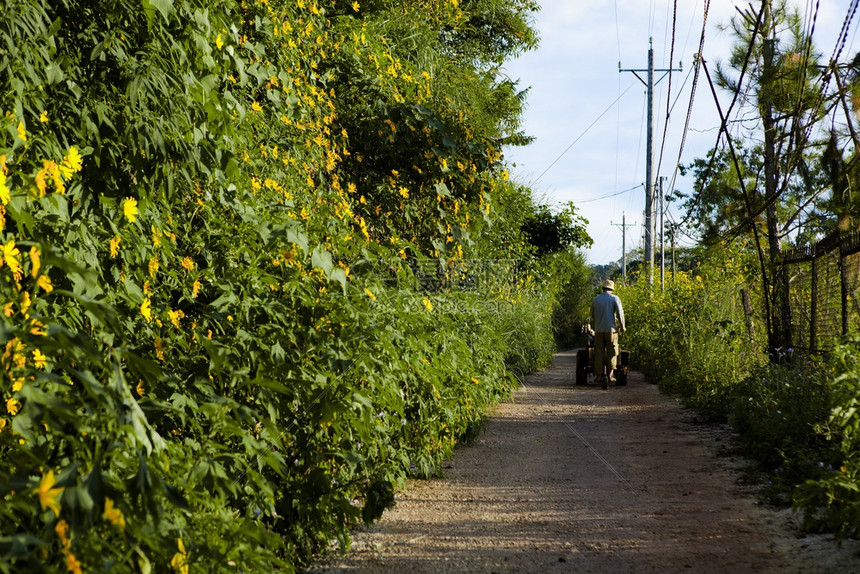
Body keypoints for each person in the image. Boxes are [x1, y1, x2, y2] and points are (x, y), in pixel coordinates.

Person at [591, 279, 626, 389]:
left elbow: (592, 315)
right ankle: (610, 376)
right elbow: (620, 313)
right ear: (612, 289)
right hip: (611, 330)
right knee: (612, 351)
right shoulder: (615, 298)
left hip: (599, 330)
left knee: (599, 352)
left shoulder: (595, 299)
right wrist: (623, 326)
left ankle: (598, 375)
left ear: (603, 288)